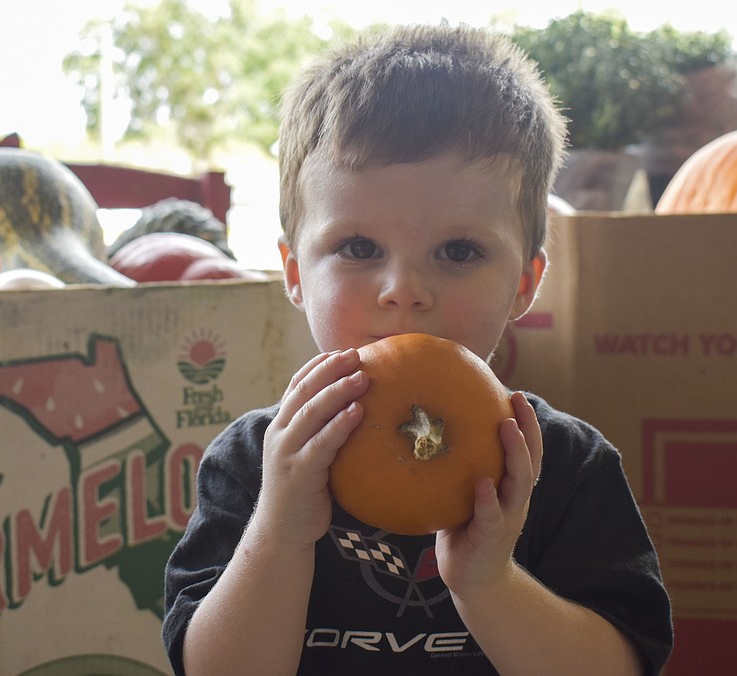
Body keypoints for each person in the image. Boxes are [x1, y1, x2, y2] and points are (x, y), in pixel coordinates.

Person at [163, 22, 673, 675]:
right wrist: (281, 533)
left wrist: (489, 584)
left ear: (524, 284)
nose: (403, 291)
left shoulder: (565, 468)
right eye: (359, 249)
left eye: (458, 252)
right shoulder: (256, 466)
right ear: (294, 274)